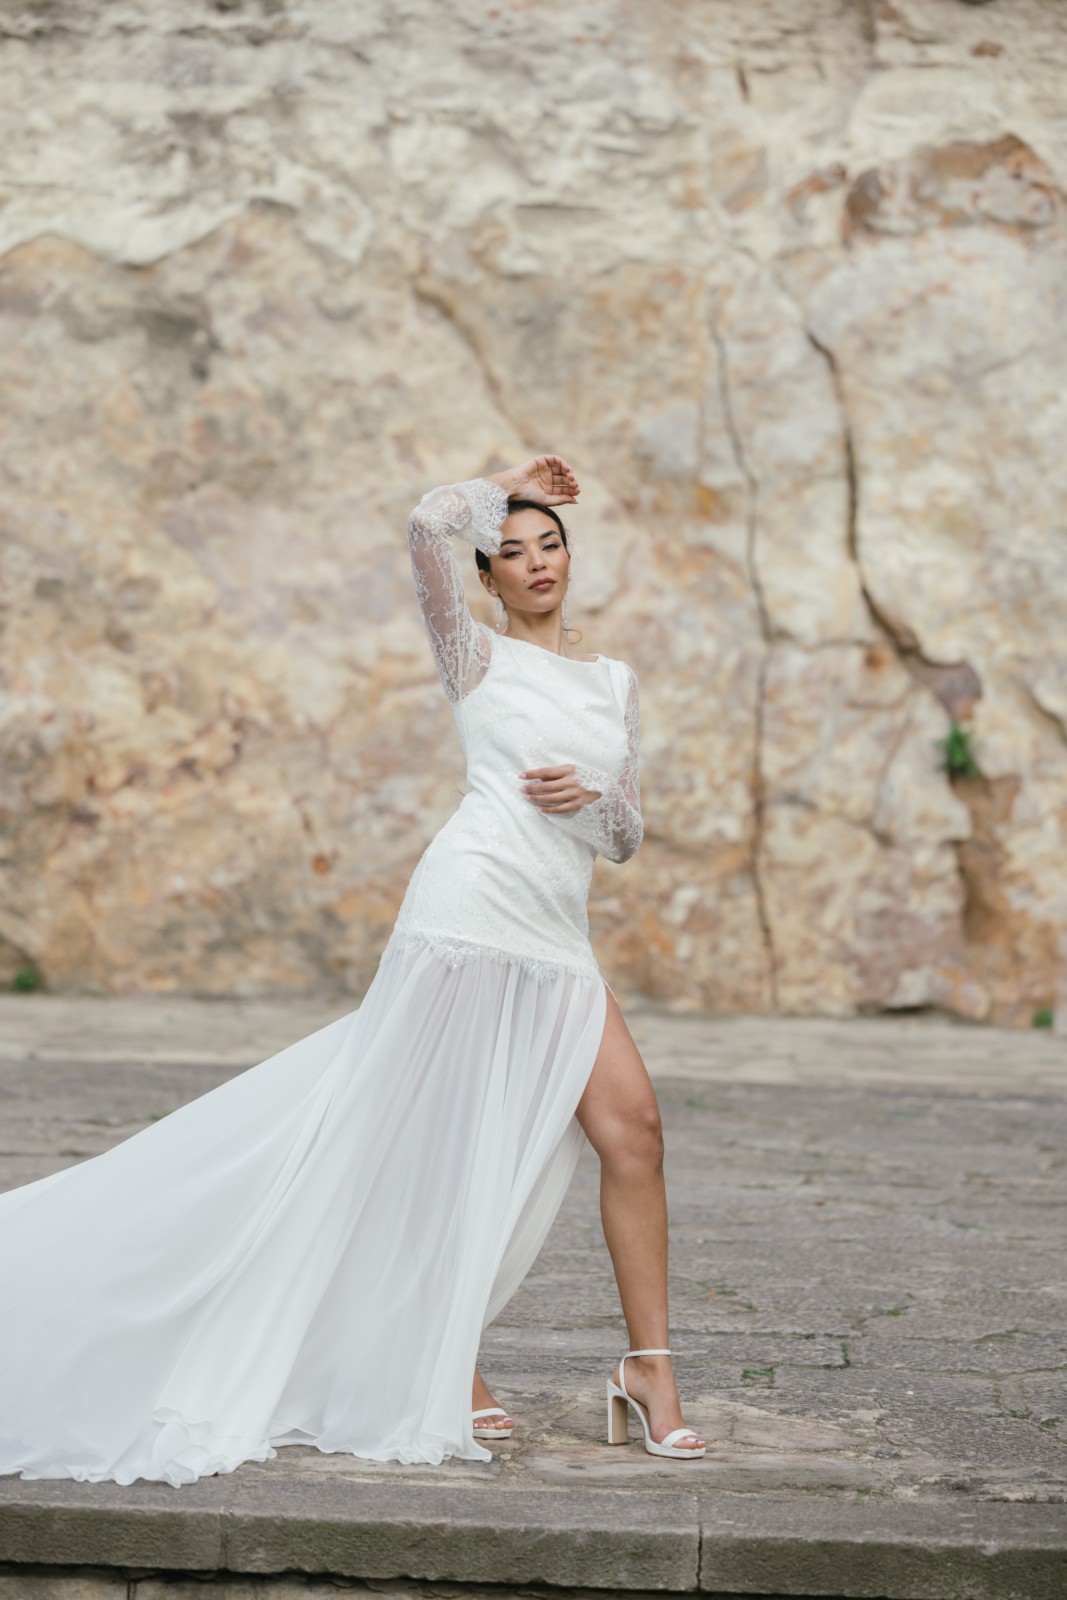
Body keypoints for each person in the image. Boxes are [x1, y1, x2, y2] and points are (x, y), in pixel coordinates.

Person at [0, 454, 704, 1486]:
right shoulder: (472, 657)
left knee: (633, 1130)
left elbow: (627, 836)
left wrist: (592, 797)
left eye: (548, 543)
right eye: (510, 551)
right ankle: (446, 1357)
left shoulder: (613, 683)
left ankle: (650, 1372)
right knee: (440, 1143)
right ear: (487, 577)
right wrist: (505, 481)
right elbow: (425, 524)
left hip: (555, 935)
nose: (535, 562)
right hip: (464, 914)